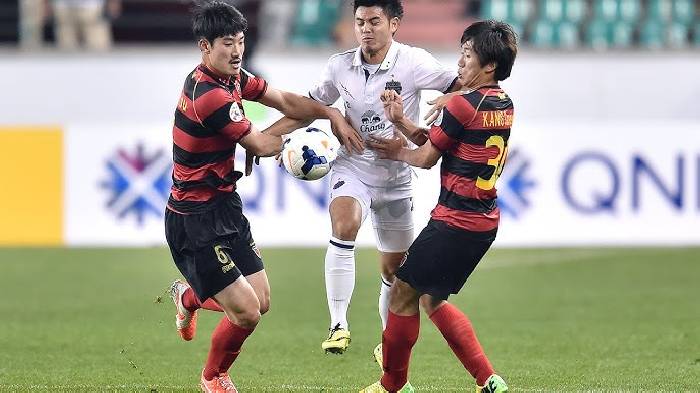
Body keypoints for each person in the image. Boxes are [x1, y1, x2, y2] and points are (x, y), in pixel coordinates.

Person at [164, 2, 357, 391]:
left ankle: (190, 297)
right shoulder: (208, 95)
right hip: (193, 217)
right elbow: (260, 144)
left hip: (225, 205)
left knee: (261, 301)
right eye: (226, 44)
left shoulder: (234, 79)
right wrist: (298, 144)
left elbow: (284, 100)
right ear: (205, 46)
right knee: (248, 313)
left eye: (240, 41)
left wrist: (329, 114)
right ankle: (213, 377)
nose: (237, 51)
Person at [274, 0, 460, 360]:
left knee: (395, 271)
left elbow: (465, 90)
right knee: (345, 223)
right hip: (352, 166)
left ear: (394, 24)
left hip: (396, 175)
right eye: (359, 21)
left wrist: (421, 126)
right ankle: (338, 324)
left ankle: (387, 343)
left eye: (374, 21)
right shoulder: (339, 66)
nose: (365, 29)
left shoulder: (414, 62)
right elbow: (305, 108)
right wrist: (267, 138)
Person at [361, 20, 518, 393]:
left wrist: (396, 149)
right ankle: (488, 380)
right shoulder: (504, 103)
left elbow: (427, 157)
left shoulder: (463, 104)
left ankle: (392, 386)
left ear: (489, 65)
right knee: (431, 299)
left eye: (467, 55)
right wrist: (401, 121)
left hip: (455, 220)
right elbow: (440, 140)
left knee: (401, 293)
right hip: (484, 222)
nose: (459, 63)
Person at [51, 0, 120, 50]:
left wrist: (113, 2)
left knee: (98, 50)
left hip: (92, 8)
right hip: (63, 8)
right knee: (66, 51)